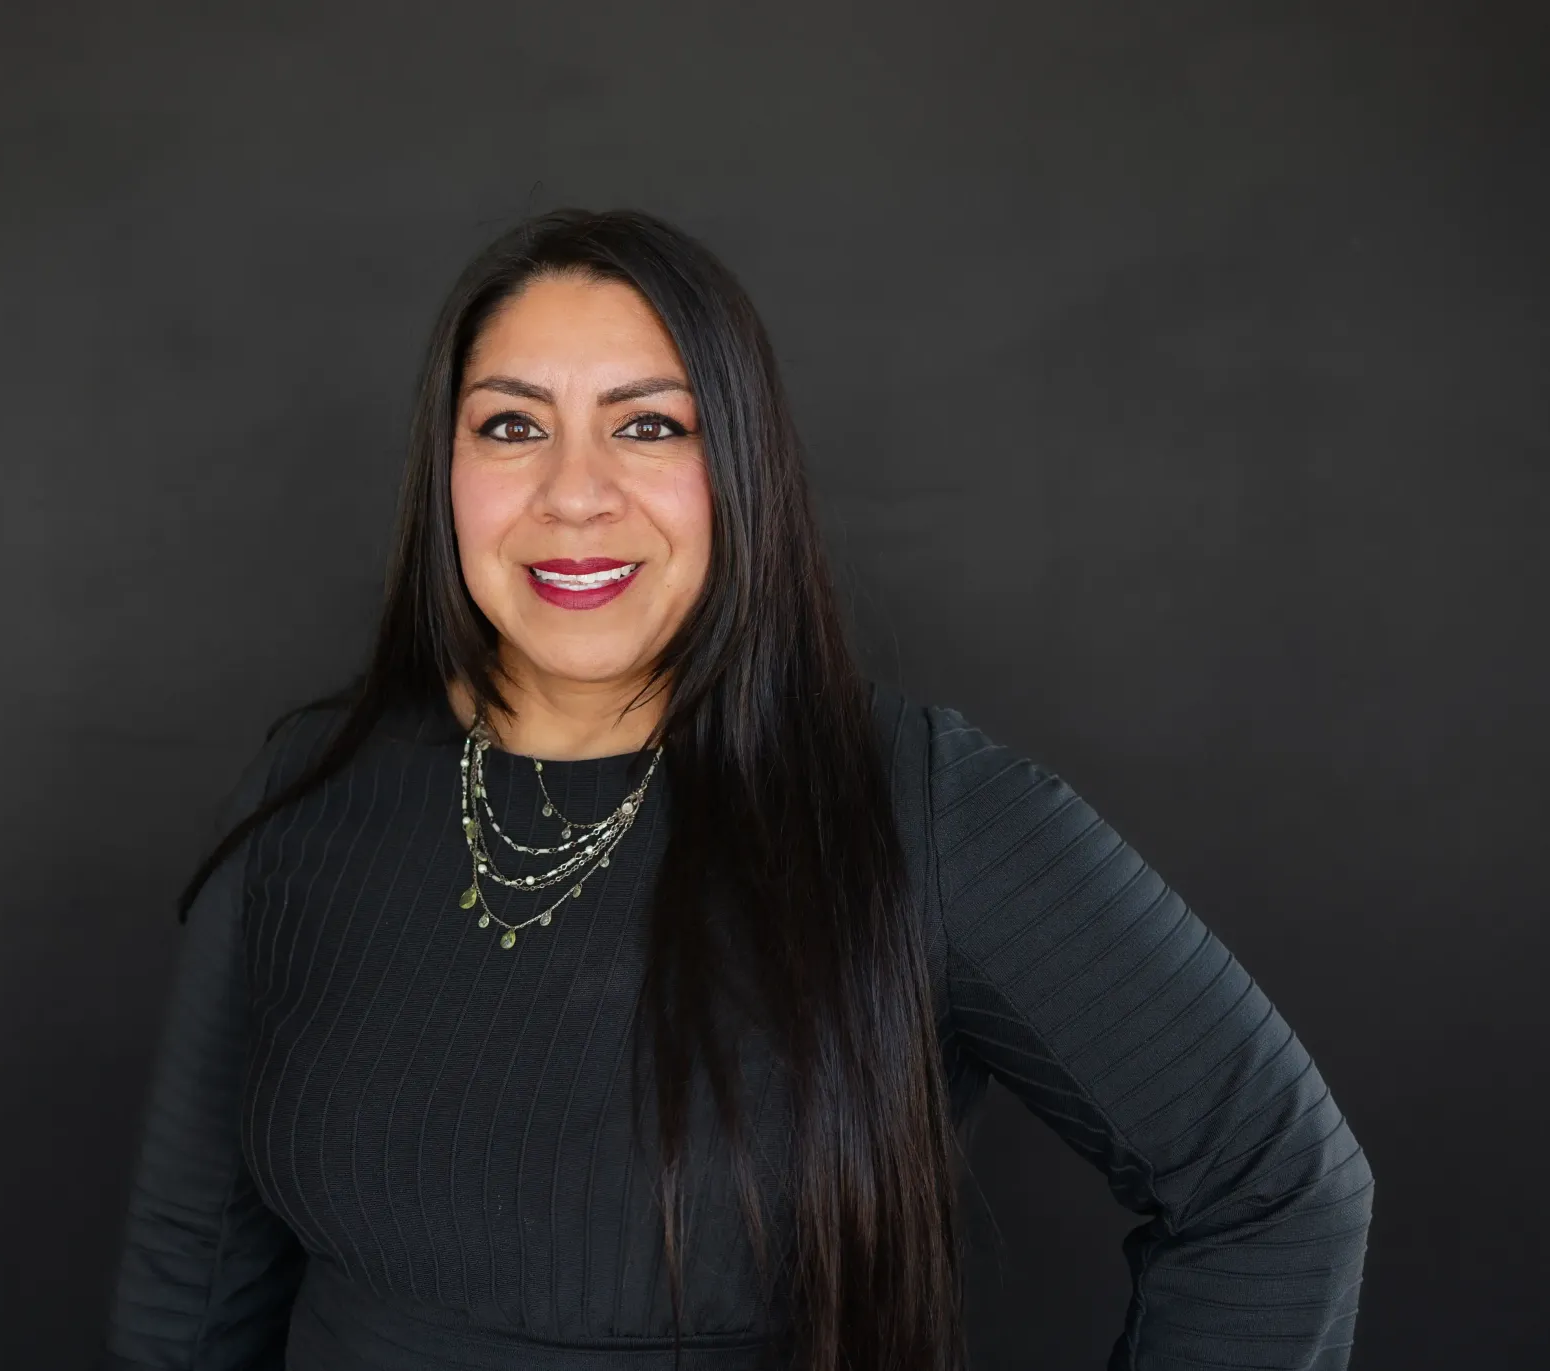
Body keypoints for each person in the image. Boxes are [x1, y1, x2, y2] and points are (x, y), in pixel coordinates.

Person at [99, 209, 1373, 1371]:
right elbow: (191, 1266)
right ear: (446, 473)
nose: (575, 493)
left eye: (650, 425)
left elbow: (1274, 1188)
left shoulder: (920, 806)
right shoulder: (311, 789)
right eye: (512, 424)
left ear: (743, 467)